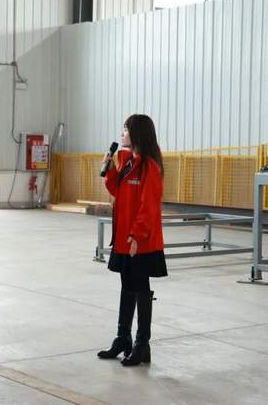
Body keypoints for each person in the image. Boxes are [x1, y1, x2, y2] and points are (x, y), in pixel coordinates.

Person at [98, 114, 167, 367]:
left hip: (140, 239)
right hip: (124, 238)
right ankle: (122, 338)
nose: (122, 134)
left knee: (140, 287)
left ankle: (142, 344)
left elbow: (149, 206)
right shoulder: (127, 162)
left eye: (126, 130)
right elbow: (117, 191)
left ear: (137, 133)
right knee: (127, 285)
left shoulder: (150, 166)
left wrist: (137, 234)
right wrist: (110, 169)